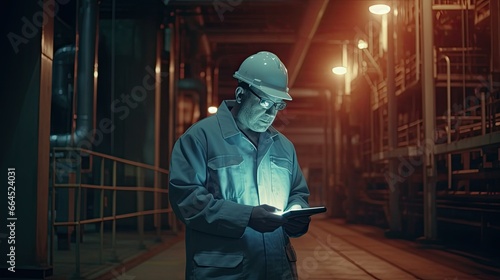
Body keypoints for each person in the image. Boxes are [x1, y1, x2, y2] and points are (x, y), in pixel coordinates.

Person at [168, 51, 311, 279]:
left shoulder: (284, 147)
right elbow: (187, 201)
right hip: (224, 272)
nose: (271, 113)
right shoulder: (200, 138)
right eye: (265, 101)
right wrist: (247, 216)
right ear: (240, 94)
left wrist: (297, 214)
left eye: (278, 105)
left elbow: (298, 194)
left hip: (277, 269)